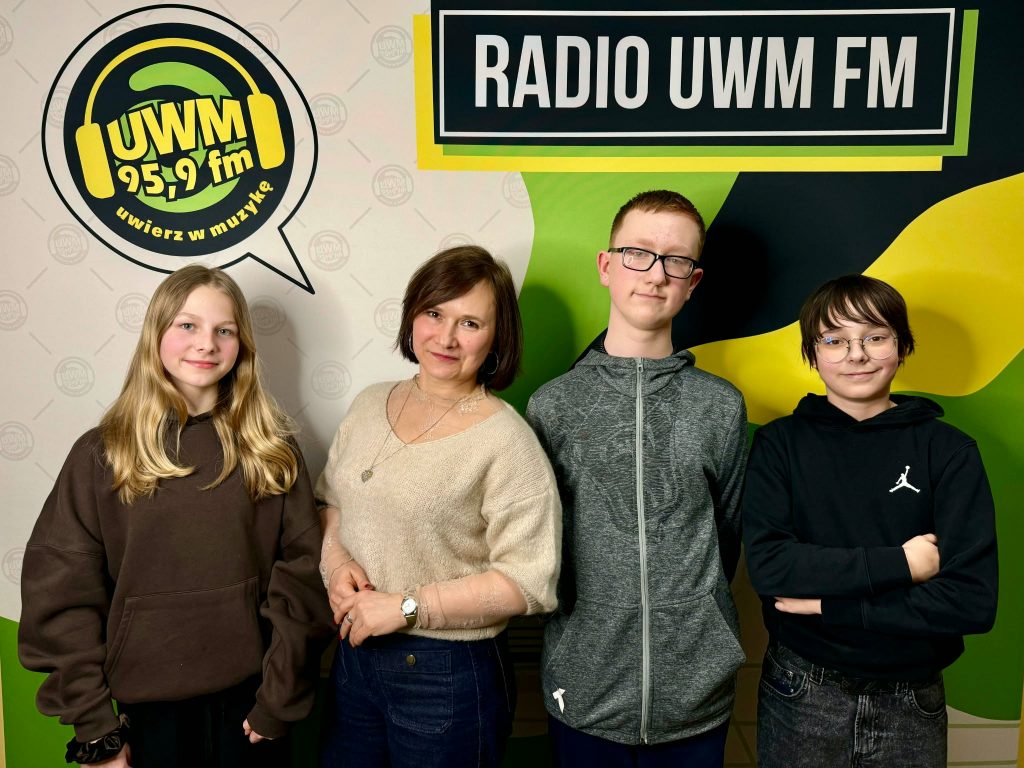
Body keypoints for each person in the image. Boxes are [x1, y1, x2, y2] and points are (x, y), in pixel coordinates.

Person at [18, 265, 333, 767]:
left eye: (224, 330)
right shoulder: (103, 454)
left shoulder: (271, 451)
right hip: (146, 715)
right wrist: (96, 729)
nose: (206, 343)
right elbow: (62, 595)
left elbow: (302, 580)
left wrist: (280, 695)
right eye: (187, 325)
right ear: (156, 334)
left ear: (241, 345)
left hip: (252, 709)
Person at [316, 245, 561, 768]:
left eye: (470, 323)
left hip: (447, 672)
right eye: (434, 313)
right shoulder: (368, 403)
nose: (446, 338)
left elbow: (528, 582)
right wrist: (335, 564)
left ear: (497, 337)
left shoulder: (507, 441)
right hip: (354, 656)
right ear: (412, 316)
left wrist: (405, 607)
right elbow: (330, 501)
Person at [527, 190, 749, 766]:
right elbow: (540, 542)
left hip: (696, 697)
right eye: (637, 253)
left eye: (675, 260)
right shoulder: (553, 405)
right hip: (583, 688)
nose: (655, 274)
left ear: (692, 282)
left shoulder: (721, 406)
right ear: (606, 266)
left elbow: (725, 538)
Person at [742, 274, 999, 767]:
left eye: (875, 337)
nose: (856, 355)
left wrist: (830, 605)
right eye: (834, 340)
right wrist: (903, 564)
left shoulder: (949, 451)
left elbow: (970, 601)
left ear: (902, 347)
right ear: (812, 354)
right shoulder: (779, 445)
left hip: (912, 698)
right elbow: (771, 568)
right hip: (802, 690)